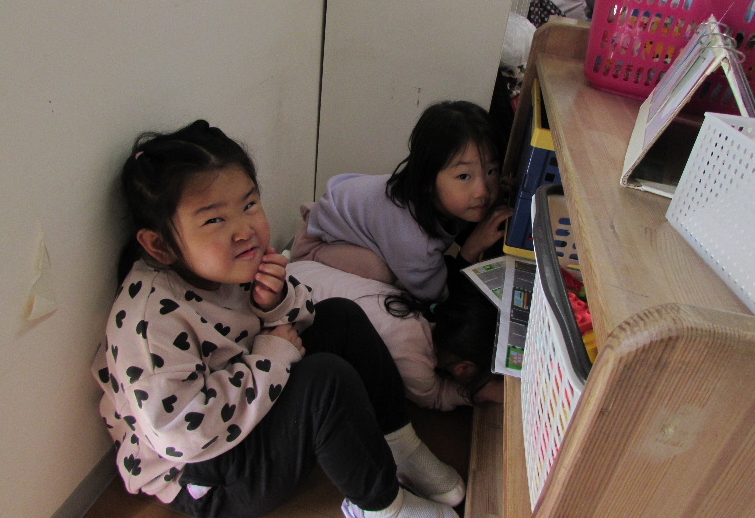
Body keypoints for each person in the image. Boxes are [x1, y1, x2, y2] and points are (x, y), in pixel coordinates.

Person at [91, 120, 466, 518]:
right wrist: (271, 358)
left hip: (249, 397)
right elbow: (184, 435)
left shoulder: (228, 262)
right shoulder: (151, 323)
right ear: (160, 245)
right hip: (205, 476)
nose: (244, 230)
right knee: (326, 381)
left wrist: (275, 302)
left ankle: (401, 448)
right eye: (214, 220)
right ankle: (382, 507)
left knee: (342, 317)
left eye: (249, 205)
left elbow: (297, 322)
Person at [290, 100, 513, 302]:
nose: (483, 191)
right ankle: (313, 256)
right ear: (427, 179)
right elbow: (436, 295)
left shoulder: (446, 197)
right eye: (464, 176)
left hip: (342, 213)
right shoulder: (413, 240)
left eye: (491, 171)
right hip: (320, 240)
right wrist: (470, 251)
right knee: (383, 272)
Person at [287, 261, 503, 411]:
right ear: (463, 368)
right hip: (289, 315)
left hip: (296, 271)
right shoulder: (414, 356)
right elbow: (434, 397)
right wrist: (484, 391)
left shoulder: (415, 306)